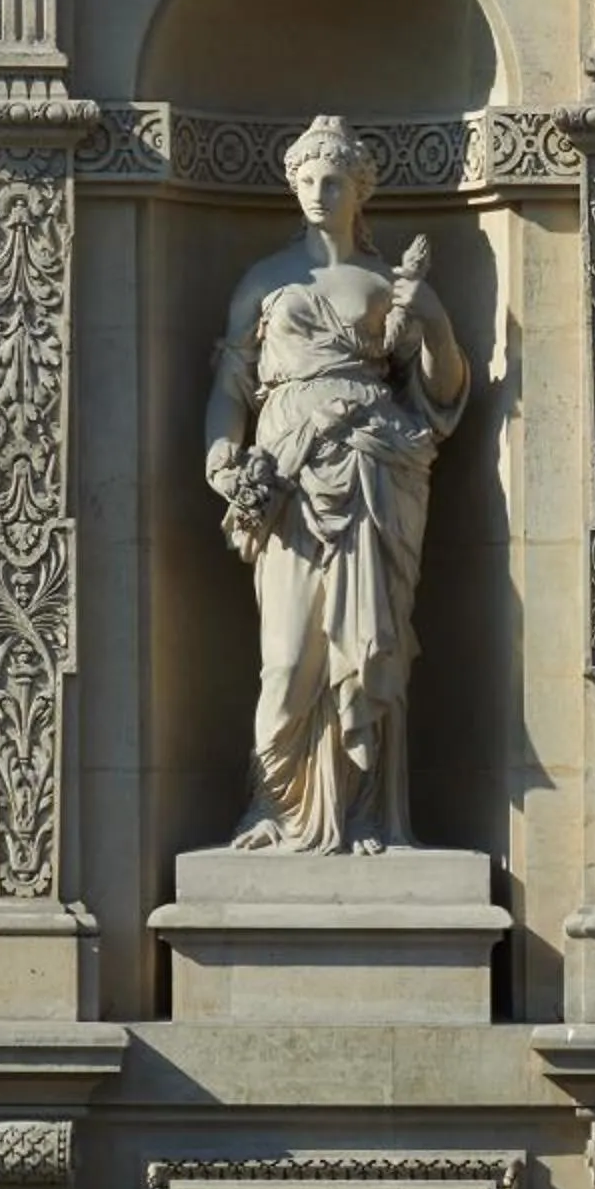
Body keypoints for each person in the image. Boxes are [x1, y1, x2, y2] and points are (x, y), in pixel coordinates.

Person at [204, 114, 469, 851]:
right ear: (291, 187)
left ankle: (366, 817)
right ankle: (275, 808)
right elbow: (231, 387)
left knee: (369, 644)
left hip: (375, 469)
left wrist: (437, 325)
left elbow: (439, 398)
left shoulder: (388, 283)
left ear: (360, 192)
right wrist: (222, 461)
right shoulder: (264, 280)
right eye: (307, 180)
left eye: (334, 180)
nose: (319, 192)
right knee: (288, 656)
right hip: (288, 476)